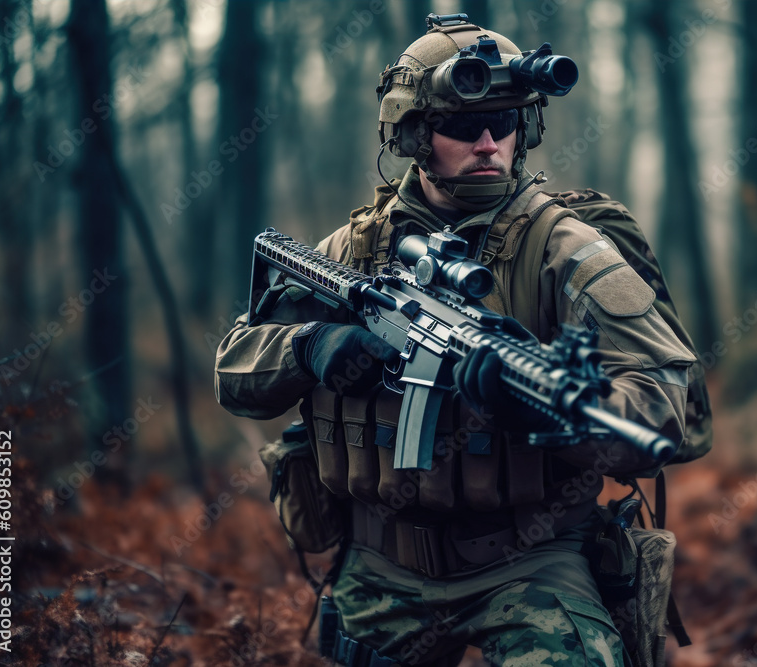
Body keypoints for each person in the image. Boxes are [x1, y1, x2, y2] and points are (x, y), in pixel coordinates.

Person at [216, 13, 700, 667]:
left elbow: (676, 407)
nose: (488, 145)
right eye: (464, 127)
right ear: (416, 134)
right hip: (382, 560)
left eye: (504, 124)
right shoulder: (352, 253)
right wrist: (310, 347)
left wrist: (548, 413)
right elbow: (235, 372)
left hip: (529, 557)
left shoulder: (569, 250)